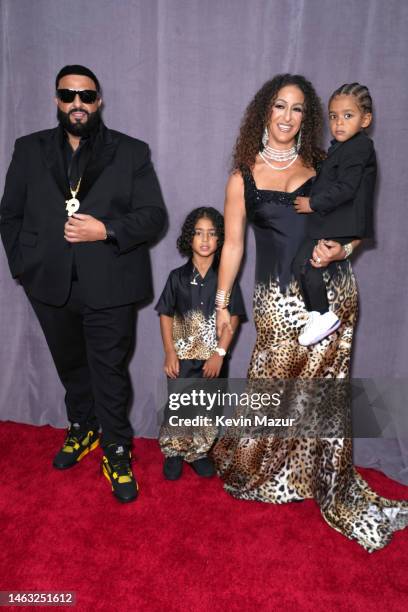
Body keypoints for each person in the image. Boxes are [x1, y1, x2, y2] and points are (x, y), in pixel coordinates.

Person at [212, 73, 408, 551]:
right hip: (276, 299)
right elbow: (234, 245)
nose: (287, 116)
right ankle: (261, 468)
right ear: (265, 111)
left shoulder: (327, 161)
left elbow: (357, 218)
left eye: (298, 108)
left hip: (333, 293)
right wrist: (222, 302)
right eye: (280, 105)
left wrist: (342, 252)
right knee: (273, 388)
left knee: (322, 396)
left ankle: (310, 476)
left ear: (308, 117)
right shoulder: (243, 174)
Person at [0, 65, 166, 503]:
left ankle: (116, 448)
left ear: (99, 101)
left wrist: (105, 230)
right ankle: (84, 428)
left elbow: (153, 217)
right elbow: (9, 213)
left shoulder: (131, 152)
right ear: (57, 100)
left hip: (111, 282)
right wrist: (23, 266)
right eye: (68, 95)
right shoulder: (29, 148)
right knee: (72, 366)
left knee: (108, 371)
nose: (78, 103)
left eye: (87, 96)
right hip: (49, 283)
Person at [155, 207, 246, 480]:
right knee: (180, 405)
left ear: (220, 240)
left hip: (213, 359)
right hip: (182, 358)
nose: (205, 240)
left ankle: (198, 452)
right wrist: (170, 351)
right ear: (189, 239)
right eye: (198, 233)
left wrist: (220, 353)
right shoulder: (177, 278)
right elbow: (165, 315)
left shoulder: (226, 280)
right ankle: (174, 451)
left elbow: (235, 318)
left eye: (212, 234)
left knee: (208, 407)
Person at [293, 83, 376, 346]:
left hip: (340, 223)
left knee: (310, 263)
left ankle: (324, 314)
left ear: (366, 119)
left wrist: (312, 204)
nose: (339, 123)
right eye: (333, 116)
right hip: (331, 221)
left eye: (347, 116)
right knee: (301, 264)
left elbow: (347, 188)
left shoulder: (359, 147)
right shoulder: (340, 148)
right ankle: (318, 314)